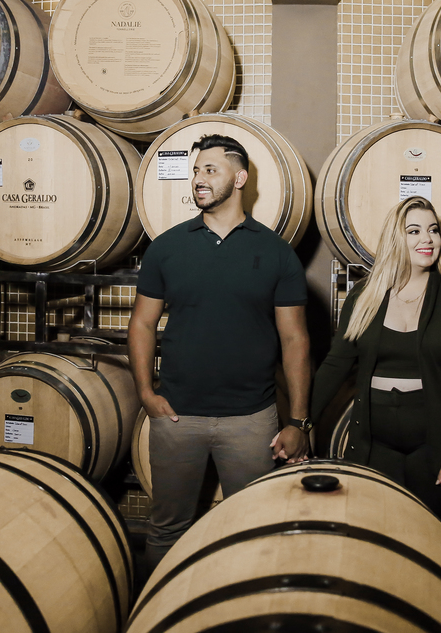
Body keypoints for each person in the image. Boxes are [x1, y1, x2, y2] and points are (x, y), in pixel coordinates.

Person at [128, 133, 312, 569]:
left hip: (251, 420)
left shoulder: (276, 253)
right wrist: (145, 393)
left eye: (210, 169)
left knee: (252, 529)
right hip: (177, 416)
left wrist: (298, 420)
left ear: (240, 178)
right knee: (167, 528)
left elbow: (296, 341)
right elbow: (142, 323)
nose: (198, 178)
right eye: (196, 170)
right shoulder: (167, 247)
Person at [309, 196, 441, 513]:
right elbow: (336, 365)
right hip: (374, 442)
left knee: (429, 529)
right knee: (374, 525)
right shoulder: (364, 296)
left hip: (433, 441)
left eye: (433, 230)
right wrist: (301, 422)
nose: (427, 239)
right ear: (395, 239)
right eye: (414, 231)